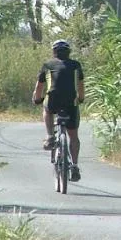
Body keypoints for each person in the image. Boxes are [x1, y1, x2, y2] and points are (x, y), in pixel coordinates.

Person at [33, 39, 85, 182]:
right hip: (71, 102)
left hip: (53, 100)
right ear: (69, 53)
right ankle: (74, 166)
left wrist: (37, 99)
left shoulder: (47, 65)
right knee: (73, 136)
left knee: (46, 108)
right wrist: (80, 99)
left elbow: (39, 88)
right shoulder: (76, 65)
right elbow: (80, 85)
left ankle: (50, 136)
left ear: (54, 52)